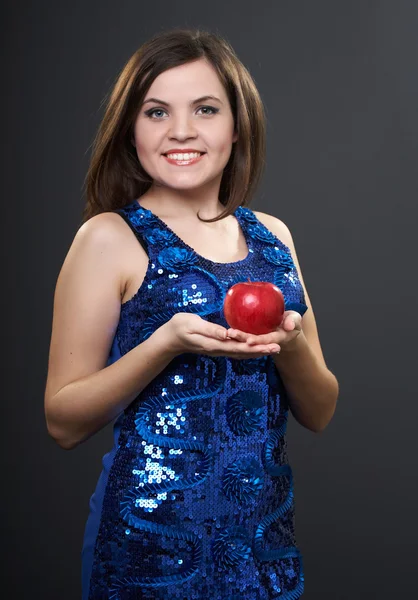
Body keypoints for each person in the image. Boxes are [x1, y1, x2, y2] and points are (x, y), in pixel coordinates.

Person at [44, 27, 339, 600]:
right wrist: (166, 343)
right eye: (156, 112)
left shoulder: (273, 238)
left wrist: (293, 342)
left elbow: (320, 411)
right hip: (147, 547)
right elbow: (62, 421)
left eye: (205, 109)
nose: (181, 131)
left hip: (262, 545)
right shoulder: (109, 238)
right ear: (132, 131)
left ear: (236, 125)